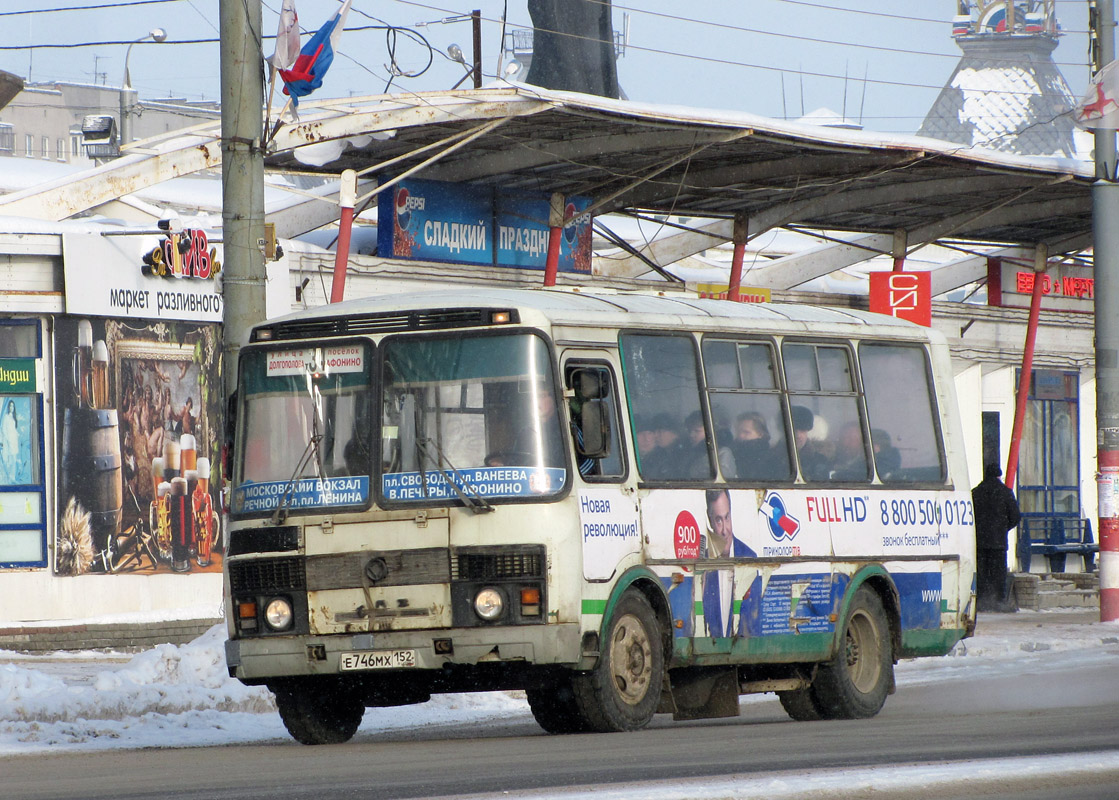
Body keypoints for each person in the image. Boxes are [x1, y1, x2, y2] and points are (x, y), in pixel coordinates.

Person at [702, 489, 757, 638]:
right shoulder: (703, 566)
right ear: (710, 519)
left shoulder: (749, 558)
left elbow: (753, 620)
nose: (725, 530)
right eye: (718, 520)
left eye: (727, 518)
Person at [972, 463, 1021, 612]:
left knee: (981, 572)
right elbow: (1016, 516)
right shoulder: (1005, 492)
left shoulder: (975, 493)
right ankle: (998, 602)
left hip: (979, 542)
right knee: (998, 573)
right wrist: (1002, 529)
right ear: (999, 475)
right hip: (998, 542)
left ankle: (981, 601)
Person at [791, 405, 830, 481]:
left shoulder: (819, 461)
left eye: (802, 430)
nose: (798, 435)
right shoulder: (771, 459)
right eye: (793, 430)